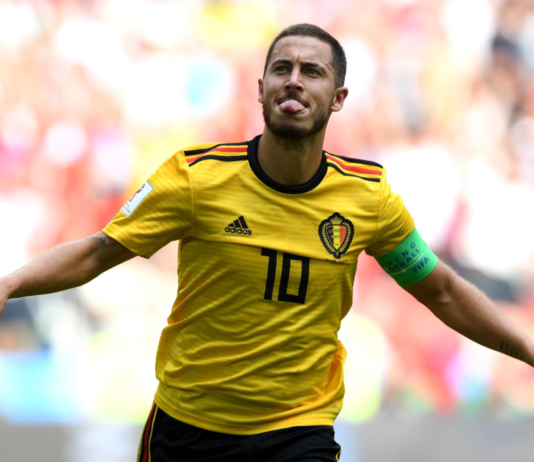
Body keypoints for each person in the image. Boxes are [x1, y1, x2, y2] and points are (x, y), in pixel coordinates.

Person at [1, 23, 533, 462]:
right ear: (260, 90)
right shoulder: (195, 178)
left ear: (339, 98)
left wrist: (527, 352)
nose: (294, 81)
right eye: (282, 69)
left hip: (296, 433)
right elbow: (98, 250)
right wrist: (10, 284)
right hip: (190, 428)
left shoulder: (368, 198)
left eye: (312, 72)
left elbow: (441, 290)